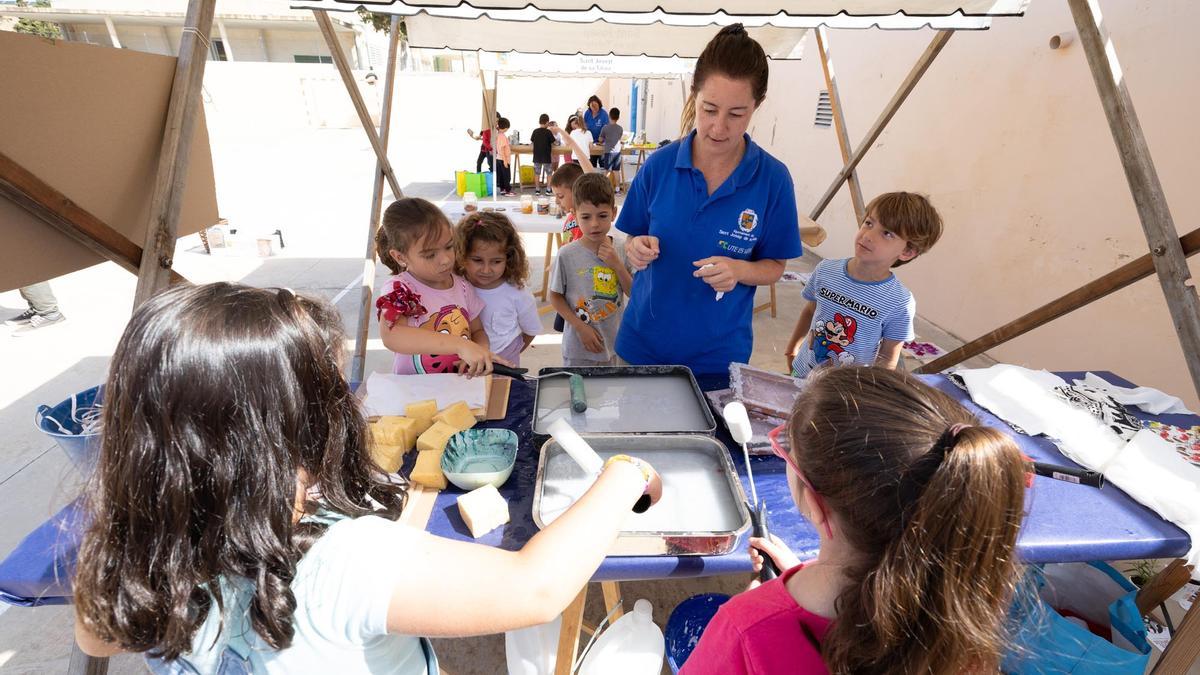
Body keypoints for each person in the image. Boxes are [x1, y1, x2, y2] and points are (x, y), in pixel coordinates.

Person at [73, 282, 664, 672]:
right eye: (337, 391)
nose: (354, 403)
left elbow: (94, 638)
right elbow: (535, 588)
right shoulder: (344, 559)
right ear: (292, 429)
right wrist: (623, 473)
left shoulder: (133, 548)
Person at [682, 366, 1027, 674]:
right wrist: (798, 578)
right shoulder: (963, 629)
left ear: (816, 505)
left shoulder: (745, 629)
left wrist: (767, 607)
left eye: (786, 450)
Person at [618, 24, 802, 375]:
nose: (719, 127)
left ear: (756, 106)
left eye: (736, 114)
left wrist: (740, 270)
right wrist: (636, 247)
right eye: (709, 109)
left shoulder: (772, 180)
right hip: (642, 346)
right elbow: (632, 237)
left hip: (717, 358)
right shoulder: (659, 165)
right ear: (693, 95)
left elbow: (775, 265)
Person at [785, 192, 943, 377]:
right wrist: (793, 347)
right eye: (869, 223)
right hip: (803, 370)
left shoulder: (899, 301)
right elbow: (811, 310)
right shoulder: (825, 270)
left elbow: (888, 357)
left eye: (887, 233)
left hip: (848, 389)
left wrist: (869, 391)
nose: (868, 235)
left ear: (907, 251)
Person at [374, 197, 506, 376]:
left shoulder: (463, 286)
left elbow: (477, 330)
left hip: (458, 384)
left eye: (449, 247)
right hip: (415, 390)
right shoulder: (400, 289)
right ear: (400, 257)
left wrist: (480, 351)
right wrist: (460, 345)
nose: (445, 260)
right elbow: (391, 335)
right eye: (430, 255)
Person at [548, 174, 632, 367]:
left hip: (614, 345)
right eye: (585, 217)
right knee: (579, 394)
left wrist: (617, 265)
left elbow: (634, 293)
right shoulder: (566, 254)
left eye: (602, 216)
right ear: (574, 214)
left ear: (614, 212)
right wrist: (580, 327)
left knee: (610, 395)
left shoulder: (622, 248)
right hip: (578, 348)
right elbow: (555, 297)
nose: (594, 224)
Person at [454, 211, 541, 367]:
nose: (486, 270)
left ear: (509, 259)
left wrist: (512, 353)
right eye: (477, 260)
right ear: (462, 255)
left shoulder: (517, 293)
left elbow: (530, 330)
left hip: (504, 360)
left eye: (496, 261)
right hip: (461, 360)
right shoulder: (453, 285)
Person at [598, 107, 624, 193]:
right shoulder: (620, 128)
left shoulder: (605, 128)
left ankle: (606, 189)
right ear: (618, 118)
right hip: (617, 152)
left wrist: (603, 139)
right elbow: (619, 138)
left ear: (609, 116)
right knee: (616, 171)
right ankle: (617, 189)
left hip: (608, 151)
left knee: (607, 171)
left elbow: (600, 139)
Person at [530, 113, 554, 196]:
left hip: (537, 156)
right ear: (547, 122)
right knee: (549, 173)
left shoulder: (535, 131)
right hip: (546, 156)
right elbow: (554, 142)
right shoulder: (548, 132)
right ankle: (548, 189)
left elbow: (532, 141)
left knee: (537, 173)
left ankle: (537, 190)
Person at [582, 95, 609, 168]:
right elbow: (584, 126)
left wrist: (602, 138)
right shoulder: (587, 113)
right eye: (592, 106)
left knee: (602, 164)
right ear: (589, 106)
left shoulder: (604, 114)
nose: (594, 108)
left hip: (601, 143)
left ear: (599, 104)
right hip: (590, 143)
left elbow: (606, 128)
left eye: (595, 106)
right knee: (591, 164)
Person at [494, 117, 514, 196]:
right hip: (503, 159)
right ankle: (508, 191)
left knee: (502, 176)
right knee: (506, 176)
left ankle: (502, 189)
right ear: (505, 128)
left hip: (499, 158)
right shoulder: (502, 136)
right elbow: (502, 149)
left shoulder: (498, 134)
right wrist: (505, 161)